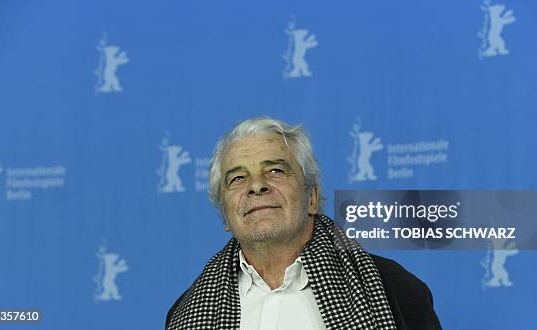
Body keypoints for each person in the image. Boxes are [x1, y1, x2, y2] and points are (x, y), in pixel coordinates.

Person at [166, 117, 441, 330]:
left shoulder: (394, 290)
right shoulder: (185, 312)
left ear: (312, 197)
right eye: (237, 178)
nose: (257, 186)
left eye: (275, 171)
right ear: (225, 214)